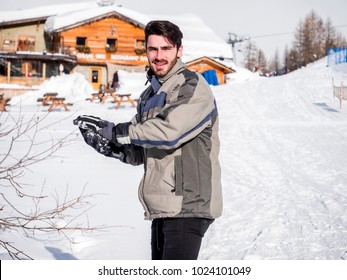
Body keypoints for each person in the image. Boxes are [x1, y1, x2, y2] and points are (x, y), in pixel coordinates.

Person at [73, 20, 223, 260]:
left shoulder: (192, 87)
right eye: (153, 49)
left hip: (187, 205)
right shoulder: (150, 94)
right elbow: (144, 149)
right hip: (163, 205)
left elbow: (169, 131)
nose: (159, 56)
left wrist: (115, 130)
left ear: (179, 50)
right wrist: (108, 145)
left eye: (166, 49)